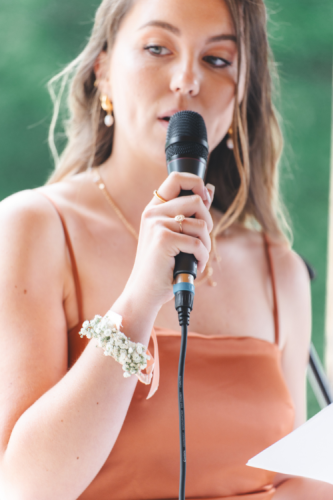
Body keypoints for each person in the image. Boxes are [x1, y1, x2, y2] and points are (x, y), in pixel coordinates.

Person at [0, 0, 332, 498]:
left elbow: (298, 484)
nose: (186, 80)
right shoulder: (33, 227)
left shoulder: (278, 267)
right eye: (158, 48)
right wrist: (139, 301)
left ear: (243, 94)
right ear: (104, 71)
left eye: (217, 60)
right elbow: (25, 487)